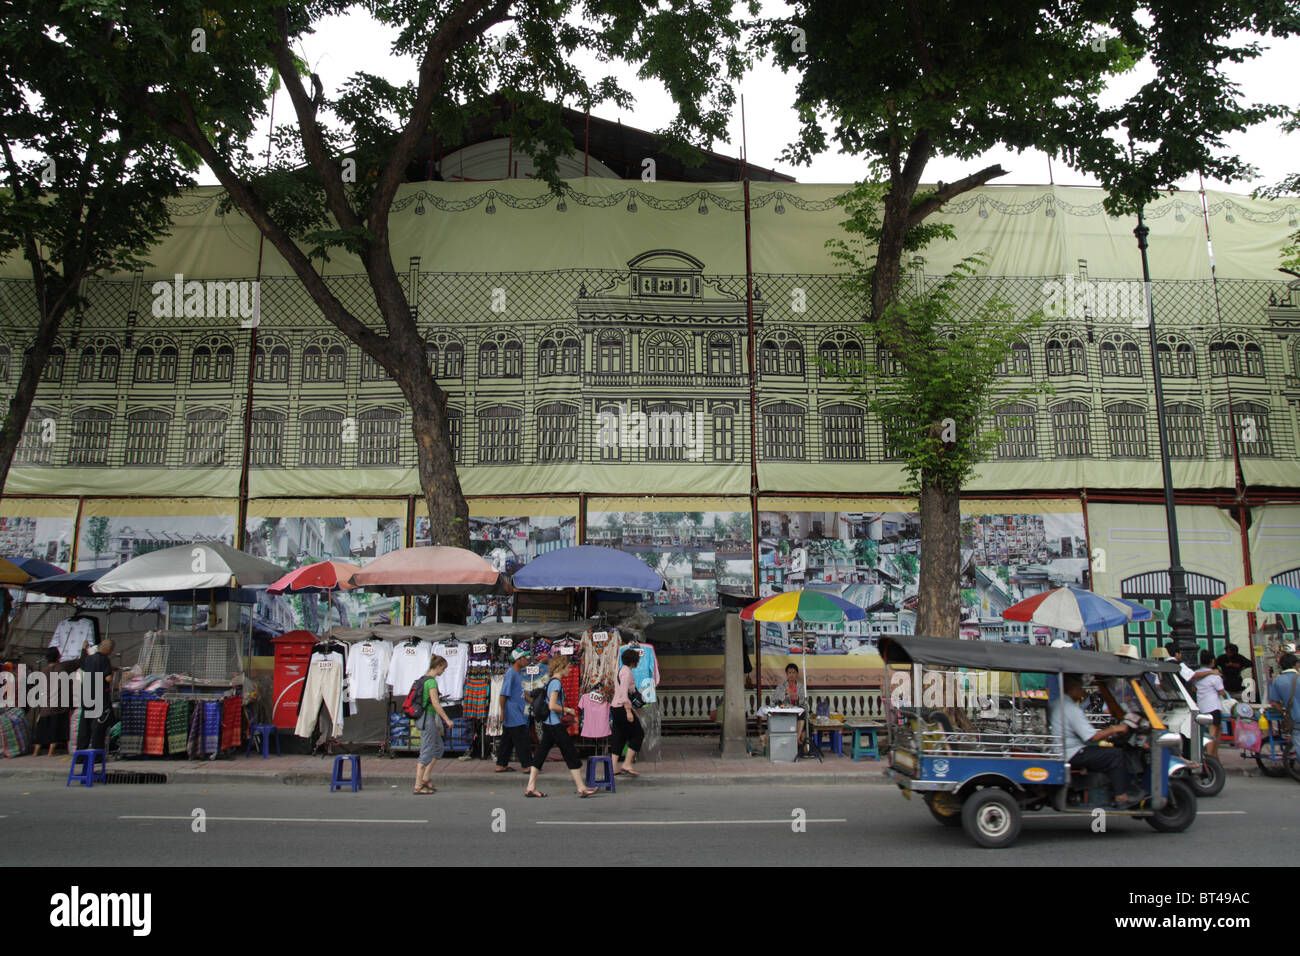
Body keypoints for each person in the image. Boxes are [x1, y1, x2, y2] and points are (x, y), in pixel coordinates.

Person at [1051, 674, 1144, 809]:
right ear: (1072, 688)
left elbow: (1083, 730)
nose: (1083, 691)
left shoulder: (1058, 703)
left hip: (1065, 749)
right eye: (1080, 687)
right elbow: (1092, 737)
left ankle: (1110, 789)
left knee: (1106, 751)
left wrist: (1107, 732)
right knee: (1115, 755)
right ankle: (1121, 796)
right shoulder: (1071, 709)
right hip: (1073, 752)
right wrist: (1114, 729)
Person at [524, 655, 596, 798]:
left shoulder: (550, 682)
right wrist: (567, 710)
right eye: (568, 667)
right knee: (570, 753)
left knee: (541, 753)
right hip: (555, 725)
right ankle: (581, 787)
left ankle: (530, 786)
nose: (570, 669)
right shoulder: (556, 683)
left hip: (549, 725)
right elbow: (552, 706)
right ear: (561, 668)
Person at [413, 655, 453, 795]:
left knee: (438, 747)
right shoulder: (431, 683)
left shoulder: (423, 679)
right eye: (443, 668)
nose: (443, 671)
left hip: (424, 718)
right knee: (426, 750)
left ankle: (425, 777)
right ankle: (418, 785)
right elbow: (436, 704)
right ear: (439, 666)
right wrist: (447, 720)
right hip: (426, 719)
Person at [494, 647, 532, 773]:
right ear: (518, 660)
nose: (527, 660)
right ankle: (527, 765)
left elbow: (520, 691)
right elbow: (503, 695)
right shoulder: (511, 674)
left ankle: (501, 764)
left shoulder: (518, 673)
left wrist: (531, 700)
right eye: (524, 658)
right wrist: (503, 712)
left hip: (515, 711)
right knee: (522, 739)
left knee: (507, 740)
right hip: (513, 713)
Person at [610, 647, 646, 777]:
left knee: (619, 736)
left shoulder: (620, 670)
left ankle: (613, 767)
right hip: (622, 707)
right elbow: (624, 694)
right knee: (638, 734)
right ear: (633, 661)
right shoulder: (627, 673)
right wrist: (628, 711)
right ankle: (627, 763)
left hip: (615, 707)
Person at [32, 647, 74, 756]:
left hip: (45, 707)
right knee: (55, 730)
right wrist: (84, 648)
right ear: (58, 656)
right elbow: (79, 662)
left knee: (40, 732)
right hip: (58, 706)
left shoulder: (43, 671)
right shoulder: (62, 667)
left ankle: (35, 752)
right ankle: (51, 752)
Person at [75, 637, 114, 752]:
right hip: (99, 697)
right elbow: (108, 678)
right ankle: (97, 756)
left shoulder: (89, 659)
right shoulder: (105, 660)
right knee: (98, 728)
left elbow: (85, 666)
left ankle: (80, 755)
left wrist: (83, 649)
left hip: (87, 696)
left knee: (84, 728)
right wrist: (111, 673)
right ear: (109, 649)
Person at [1191, 649, 1226, 759]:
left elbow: (1193, 688)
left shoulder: (1198, 675)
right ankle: (1210, 757)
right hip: (1213, 707)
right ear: (1212, 661)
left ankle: (1215, 756)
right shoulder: (1215, 676)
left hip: (1202, 705)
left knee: (1218, 728)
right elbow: (1222, 692)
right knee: (1213, 732)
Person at [1266, 652, 1300, 757]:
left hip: (1294, 719)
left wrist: (1284, 712)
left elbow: (1274, 703)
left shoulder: (1277, 681)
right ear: (1295, 665)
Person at [774, 662, 808, 751]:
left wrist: (798, 699)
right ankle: (799, 742)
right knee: (802, 724)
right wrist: (785, 693)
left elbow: (803, 701)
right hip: (786, 712)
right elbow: (774, 699)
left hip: (797, 712)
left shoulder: (801, 687)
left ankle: (796, 739)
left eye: (794, 672)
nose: (792, 675)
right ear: (786, 674)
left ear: (797, 674)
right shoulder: (782, 686)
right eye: (789, 673)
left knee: (802, 715)